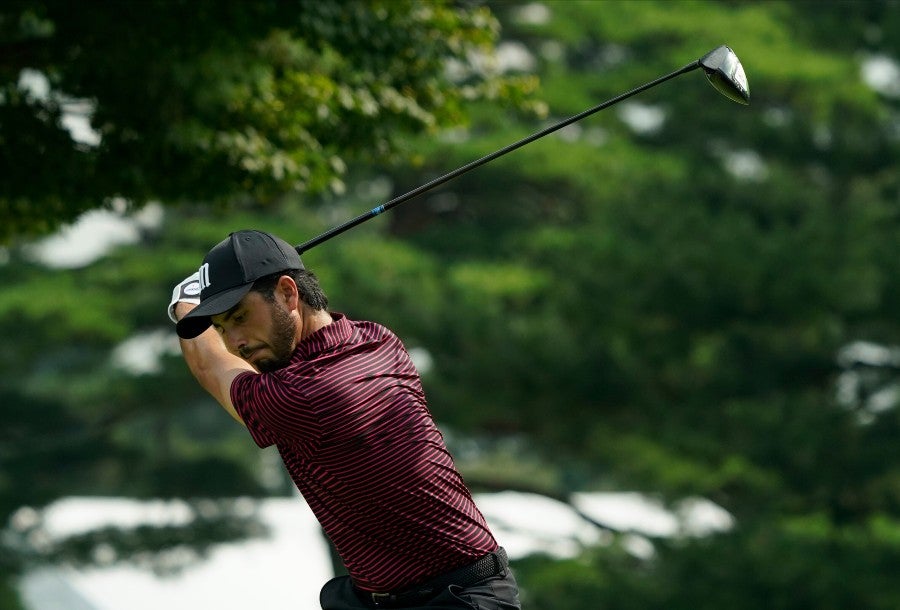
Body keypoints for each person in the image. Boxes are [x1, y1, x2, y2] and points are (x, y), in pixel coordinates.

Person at [168, 229, 521, 610]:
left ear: (289, 293)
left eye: (239, 317)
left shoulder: (304, 396)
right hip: (399, 595)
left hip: (457, 601)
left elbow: (211, 367)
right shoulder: (378, 340)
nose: (234, 341)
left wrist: (184, 305)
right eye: (220, 328)